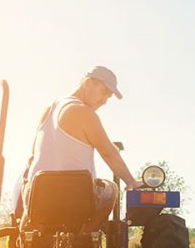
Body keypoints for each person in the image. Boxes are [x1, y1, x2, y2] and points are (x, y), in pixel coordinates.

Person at [15, 65, 142, 230]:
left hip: (38, 195)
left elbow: (33, 154)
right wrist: (131, 181)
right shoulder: (84, 112)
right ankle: (86, 235)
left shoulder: (49, 109)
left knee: (28, 187)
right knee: (111, 189)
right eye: (104, 93)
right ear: (88, 83)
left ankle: (29, 233)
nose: (104, 101)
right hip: (75, 194)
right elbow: (108, 152)